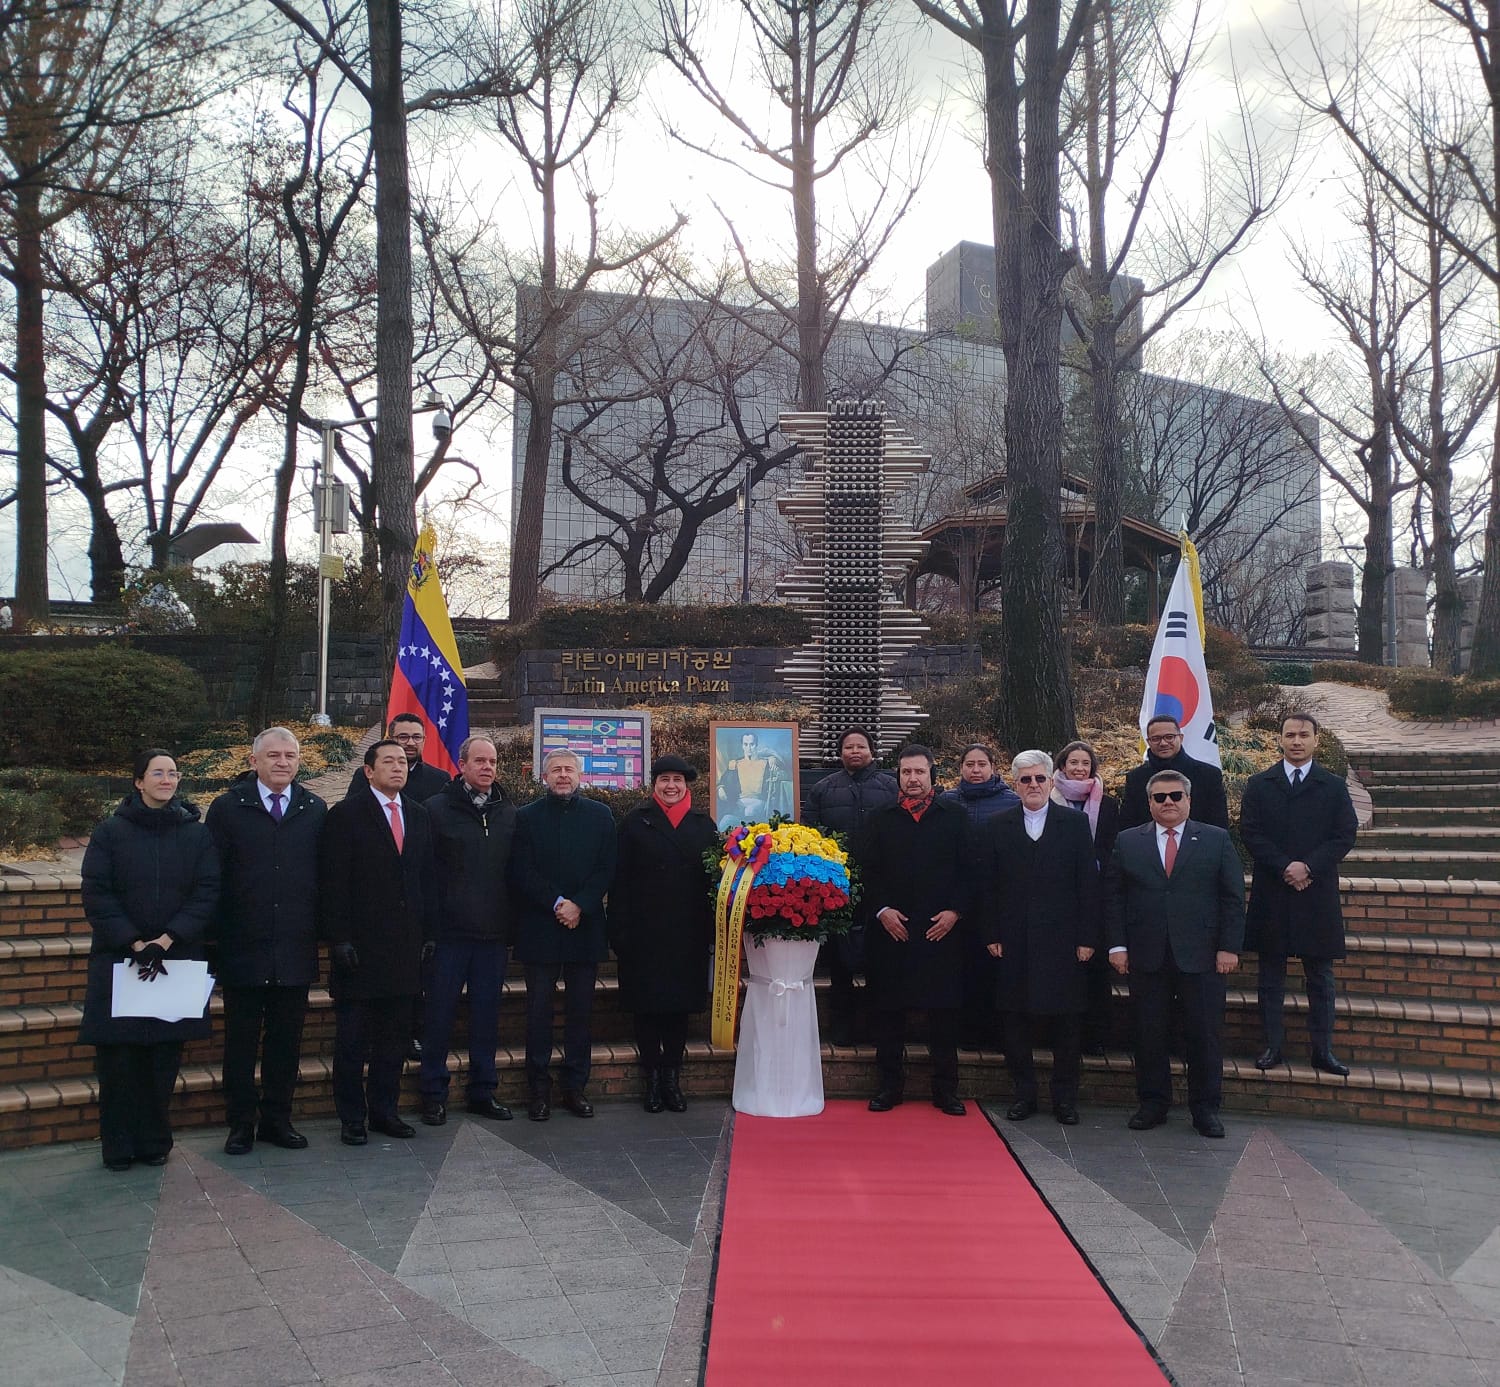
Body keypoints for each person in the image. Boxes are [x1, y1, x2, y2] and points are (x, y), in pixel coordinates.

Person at [79, 749, 218, 1171]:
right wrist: (135, 942)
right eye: (157, 773)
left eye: (173, 773)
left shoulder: (196, 834)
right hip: (121, 961)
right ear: (138, 781)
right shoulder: (110, 832)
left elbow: (208, 890)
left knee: (162, 1059)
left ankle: (155, 1141)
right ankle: (118, 1145)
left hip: (174, 959)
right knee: (120, 1061)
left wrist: (169, 938)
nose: (167, 779)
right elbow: (97, 892)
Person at [206, 727, 327, 1156]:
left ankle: (278, 1120)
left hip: (294, 947)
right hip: (243, 946)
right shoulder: (227, 808)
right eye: (273, 755)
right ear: (254, 761)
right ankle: (241, 1124)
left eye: (290, 755)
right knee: (240, 1043)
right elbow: (212, 878)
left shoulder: (315, 808)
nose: (282, 762)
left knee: (284, 1044)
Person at [1106, 770, 1244, 1138]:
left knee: (1203, 1034)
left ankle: (1205, 1108)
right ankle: (1153, 1103)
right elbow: (1115, 897)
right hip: (1146, 955)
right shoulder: (1128, 840)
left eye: (1175, 796)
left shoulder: (1215, 839)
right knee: (1149, 1033)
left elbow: (1232, 898)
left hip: (1201, 956)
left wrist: (1228, 947)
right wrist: (1117, 945)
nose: (1168, 802)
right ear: (1149, 802)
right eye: (1160, 797)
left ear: (1189, 800)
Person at [321, 738, 438, 1146]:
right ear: (368, 771)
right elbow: (333, 883)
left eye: (403, 762)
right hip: (359, 951)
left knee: (394, 1041)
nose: (398, 767)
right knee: (353, 1042)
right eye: (388, 761)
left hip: (405, 951)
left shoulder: (420, 816)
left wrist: (429, 935)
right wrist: (339, 938)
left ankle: (385, 1112)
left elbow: (427, 881)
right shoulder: (346, 814)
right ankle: (352, 1117)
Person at [980, 750, 1099, 1125]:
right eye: (1025, 780)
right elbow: (989, 887)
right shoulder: (998, 825)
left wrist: (1087, 937)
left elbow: (1087, 885)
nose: (1033, 785)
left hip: (1064, 941)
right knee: (1014, 1020)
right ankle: (1024, 1095)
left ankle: (1064, 1098)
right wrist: (992, 932)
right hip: (1012, 940)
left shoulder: (1074, 824)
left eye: (1039, 779)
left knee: (1067, 1024)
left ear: (1051, 781)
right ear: (1015, 785)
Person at [856, 745, 973, 1116]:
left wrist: (955, 912)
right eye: (906, 773)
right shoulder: (880, 818)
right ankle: (889, 1088)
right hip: (892, 933)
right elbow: (865, 871)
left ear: (932, 775)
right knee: (888, 1015)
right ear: (898, 777)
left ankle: (946, 1091)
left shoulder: (956, 816)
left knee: (944, 1017)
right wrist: (881, 910)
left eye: (919, 772)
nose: (913, 779)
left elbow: (972, 872)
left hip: (942, 933)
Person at [1241, 711, 1359, 1077]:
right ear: (1279, 739)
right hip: (1273, 892)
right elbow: (1251, 832)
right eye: (1289, 734)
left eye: (1303, 735)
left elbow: (1344, 835)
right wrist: (1284, 867)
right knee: (1270, 976)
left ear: (1315, 740)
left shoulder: (1334, 786)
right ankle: (1272, 1046)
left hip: (1316, 893)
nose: (1296, 741)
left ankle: (1322, 1050)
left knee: (1320, 977)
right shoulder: (1260, 784)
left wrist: (1308, 867)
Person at [510, 749, 617, 1121]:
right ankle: (538, 1091)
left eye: (569, 769)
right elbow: (521, 871)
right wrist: (557, 903)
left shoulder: (601, 816)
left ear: (580, 775)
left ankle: (575, 1087)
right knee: (538, 1013)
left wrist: (579, 905)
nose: (562, 775)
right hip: (540, 927)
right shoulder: (525, 817)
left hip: (584, 928)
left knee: (579, 1014)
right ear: (543, 776)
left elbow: (607, 868)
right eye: (555, 769)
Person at [609, 755, 718, 1113]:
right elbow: (619, 882)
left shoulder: (704, 825)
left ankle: (672, 1077)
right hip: (644, 935)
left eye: (677, 780)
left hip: (687, 934)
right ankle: (651, 1079)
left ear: (687, 785)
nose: (671, 786)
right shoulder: (634, 823)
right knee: (647, 1009)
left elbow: (714, 883)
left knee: (678, 1011)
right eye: (664, 779)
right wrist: (620, 932)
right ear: (653, 784)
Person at [418, 735, 517, 1126]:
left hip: (492, 938)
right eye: (479, 761)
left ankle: (482, 1091)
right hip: (448, 937)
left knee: (486, 1019)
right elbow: (424, 873)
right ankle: (432, 1093)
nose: (487, 767)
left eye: (492, 761)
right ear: (462, 764)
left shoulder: (509, 812)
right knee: (438, 1018)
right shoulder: (435, 810)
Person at [344, 713, 448, 1063]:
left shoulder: (431, 793)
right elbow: (337, 876)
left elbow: (428, 870)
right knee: (360, 1034)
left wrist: (430, 928)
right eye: (400, 740)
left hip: (410, 928)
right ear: (370, 770)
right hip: (366, 929)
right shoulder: (352, 805)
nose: (408, 747)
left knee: (400, 1022)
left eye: (415, 739)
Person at [805, 727, 899, 1046]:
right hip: (837, 887)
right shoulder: (823, 789)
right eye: (848, 747)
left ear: (872, 750)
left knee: (880, 963)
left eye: (861, 746)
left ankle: (877, 1028)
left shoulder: (892, 786)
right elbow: (810, 837)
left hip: (882, 887)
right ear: (840, 752)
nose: (855, 751)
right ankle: (841, 1027)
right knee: (839, 965)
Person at [938, 743, 1020, 1050]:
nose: (975, 770)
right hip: (955, 893)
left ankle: (992, 1032)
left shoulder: (1011, 801)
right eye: (969, 764)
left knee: (991, 965)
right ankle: (963, 1032)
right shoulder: (946, 800)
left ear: (993, 768)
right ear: (960, 768)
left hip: (995, 892)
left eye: (981, 764)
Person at [1052, 738, 1121, 1053]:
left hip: (1097, 894)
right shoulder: (1048, 799)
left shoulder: (1107, 804)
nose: (1079, 769)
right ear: (1062, 766)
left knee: (1095, 968)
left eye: (1085, 763)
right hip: (1060, 896)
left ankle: (1096, 1037)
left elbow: (1113, 847)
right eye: (1073, 763)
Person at [1118, 715, 1230, 831]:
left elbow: (1218, 825)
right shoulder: (1136, 778)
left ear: (1180, 738)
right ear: (1148, 742)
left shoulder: (1208, 775)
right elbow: (1128, 826)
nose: (1163, 743)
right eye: (1156, 738)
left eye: (1169, 737)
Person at [344, 713, 450, 803]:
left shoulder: (439, 779)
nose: (411, 743)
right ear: (390, 739)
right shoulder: (369, 774)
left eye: (417, 737)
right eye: (403, 737)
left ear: (424, 740)